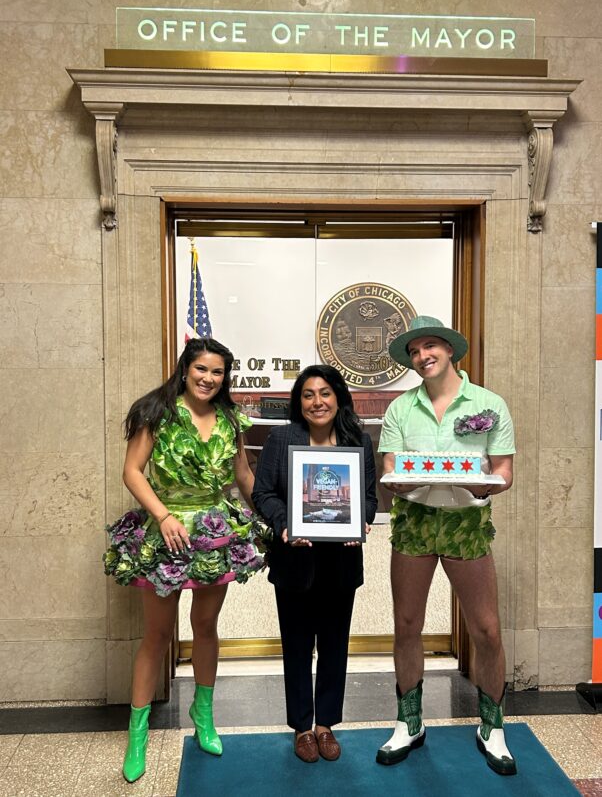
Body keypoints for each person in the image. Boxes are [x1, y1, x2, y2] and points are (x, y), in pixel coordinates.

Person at [103, 337, 266, 783]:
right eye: (202, 370)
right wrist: (163, 515)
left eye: (218, 372)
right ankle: (137, 735)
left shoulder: (232, 419)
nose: (209, 379)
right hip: (166, 532)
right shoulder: (156, 413)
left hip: (215, 532)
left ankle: (204, 715)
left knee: (207, 627)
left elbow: (243, 476)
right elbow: (131, 471)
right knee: (157, 635)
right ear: (185, 369)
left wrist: (272, 517)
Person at [375, 315, 517, 776]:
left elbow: (503, 472)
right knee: (407, 625)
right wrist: (398, 484)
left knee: (486, 629)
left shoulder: (489, 404)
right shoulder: (399, 408)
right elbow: (392, 468)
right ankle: (409, 722)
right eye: (415, 352)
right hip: (413, 523)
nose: (422, 357)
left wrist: (486, 488)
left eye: (430, 347)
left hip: (466, 524)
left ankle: (492, 726)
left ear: (451, 351)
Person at [252, 365, 378, 763]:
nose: (317, 402)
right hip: (295, 560)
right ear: (298, 401)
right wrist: (285, 522)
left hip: (341, 559)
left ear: (337, 397)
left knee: (335, 645)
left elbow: (369, 496)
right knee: (297, 645)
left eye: (324, 393)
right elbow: (263, 492)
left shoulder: (357, 439)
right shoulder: (281, 438)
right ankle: (302, 728)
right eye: (308, 394)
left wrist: (362, 522)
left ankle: (326, 725)